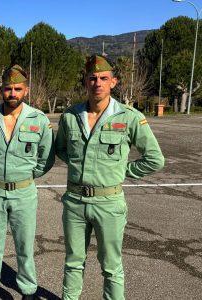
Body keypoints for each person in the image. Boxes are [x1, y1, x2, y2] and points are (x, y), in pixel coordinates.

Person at [55, 55, 165, 300]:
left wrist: (121, 172)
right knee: (73, 262)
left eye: (104, 78)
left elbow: (155, 159)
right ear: (85, 82)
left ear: (113, 82)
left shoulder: (130, 117)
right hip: (74, 202)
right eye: (92, 78)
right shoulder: (70, 116)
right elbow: (61, 148)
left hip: (109, 204)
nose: (98, 83)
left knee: (111, 267)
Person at [0, 65, 55, 300]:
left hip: (24, 192)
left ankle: (28, 290)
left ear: (26, 91)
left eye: (17, 89)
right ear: (1, 90)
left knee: (25, 245)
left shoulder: (38, 120)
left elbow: (46, 157)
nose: (12, 93)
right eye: (8, 89)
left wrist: (26, 176)